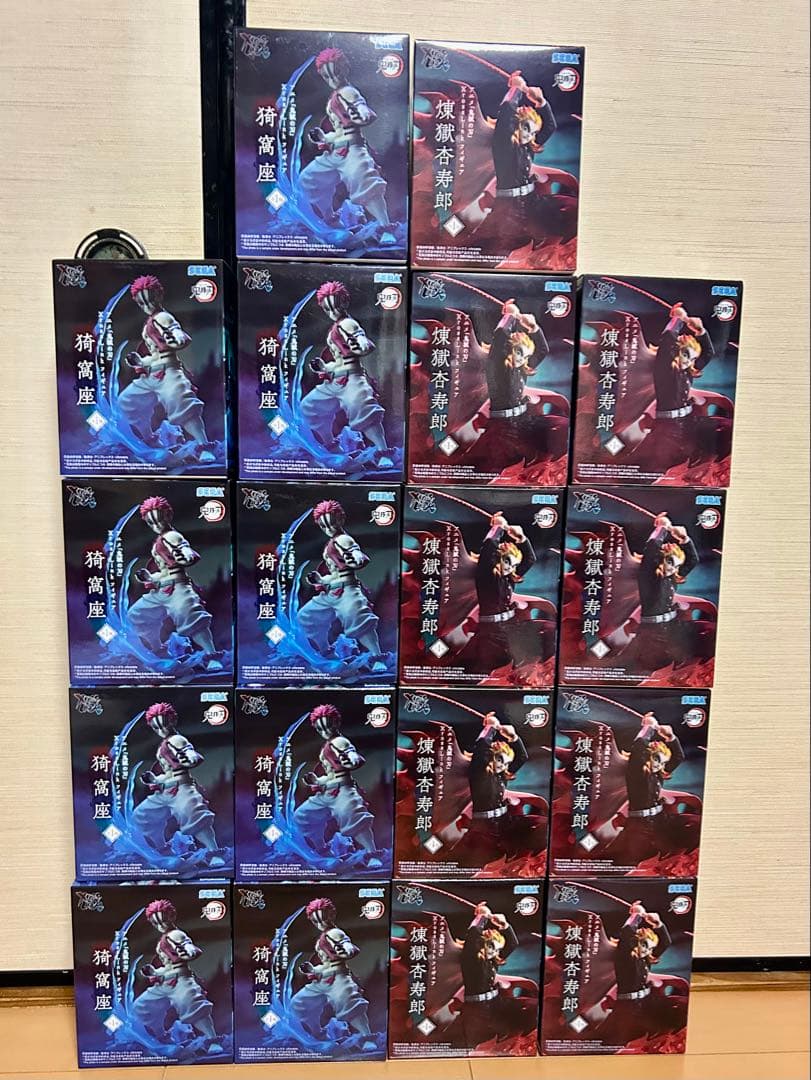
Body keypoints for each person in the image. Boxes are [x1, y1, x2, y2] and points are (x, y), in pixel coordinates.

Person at [118, 275, 215, 463]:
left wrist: (178, 338)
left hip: (169, 372)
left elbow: (177, 333)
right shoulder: (148, 324)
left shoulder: (163, 317)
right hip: (151, 375)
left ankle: (203, 446)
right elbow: (155, 354)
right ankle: (150, 439)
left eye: (150, 300)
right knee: (127, 401)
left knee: (183, 405)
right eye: (142, 303)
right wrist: (141, 361)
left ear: (158, 296)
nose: (147, 305)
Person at [298, 49, 392, 235]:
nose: (333, 79)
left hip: (353, 151)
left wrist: (362, 114)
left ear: (344, 69)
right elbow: (339, 131)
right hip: (335, 152)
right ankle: (330, 219)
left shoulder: (348, 91)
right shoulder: (334, 97)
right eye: (327, 76)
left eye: (336, 73)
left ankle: (385, 228)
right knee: (309, 179)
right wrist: (324, 138)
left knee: (366, 184)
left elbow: (361, 108)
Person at [300, 281, 393, 466]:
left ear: (344, 303)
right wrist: (324, 367)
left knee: (365, 413)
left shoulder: (348, 323)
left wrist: (361, 345)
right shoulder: (334, 329)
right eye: (328, 309)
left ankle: (383, 453)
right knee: (310, 407)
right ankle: (332, 446)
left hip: (352, 380)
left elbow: (362, 340)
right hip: (335, 381)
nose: (333, 312)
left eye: (336, 306)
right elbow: (339, 360)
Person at [128, 496, 223, 672]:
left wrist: (187, 556)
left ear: (168, 516)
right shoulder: (158, 541)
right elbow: (164, 570)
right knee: (137, 614)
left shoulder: (172, 535)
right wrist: (150, 578)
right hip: (161, 590)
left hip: (178, 588)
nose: (156, 525)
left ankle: (211, 656)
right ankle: (158, 650)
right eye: (151, 523)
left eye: (159, 520)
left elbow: (185, 550)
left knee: (192, 619)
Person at [131, 702, 223, 865]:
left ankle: (214, 853)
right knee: (142, 816)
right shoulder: (163, 745)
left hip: (182, 788)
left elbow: (189, 753)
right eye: (156, 728)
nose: (161, 730)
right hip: (165, 791)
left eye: (164, 725)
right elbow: (168, 773)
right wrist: (155, 779)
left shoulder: (177, 739)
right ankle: (164, 850)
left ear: (172, 721)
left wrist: (191, 757)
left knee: (195, 816)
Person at [298, 500, 384, 668]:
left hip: (347, 591)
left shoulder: (344, 539)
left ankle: (377, 658)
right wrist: (320, 580)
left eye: (332, 523)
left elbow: (356, 554)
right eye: (324, 526)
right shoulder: (330, 543)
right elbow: (335, 573)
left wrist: (356, 559)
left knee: (360, 621)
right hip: (331, 592)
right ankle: (326, 652)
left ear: (340, 520)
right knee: (307, 617)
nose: (328, 529)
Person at [293, 703, 380, 864]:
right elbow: (330, 775)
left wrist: (352, 760)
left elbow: (352, 755)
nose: (325, 732)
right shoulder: (326, 746)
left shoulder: (340, 741)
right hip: (327, 792)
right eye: (321, 729)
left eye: (328, 727)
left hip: (343, 791)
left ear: (336, 723)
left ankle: (372, 854)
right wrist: (316, 780)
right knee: (303, 816)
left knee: (355, 819)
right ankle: (322, 849)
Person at [132, 899, 223, 1051]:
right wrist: (154, 972)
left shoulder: (176, 934)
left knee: (194, 1007)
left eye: (163, 921)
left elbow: (188, 946)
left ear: (171, 917)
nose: (161, 926)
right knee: (142, 1006)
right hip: (164, 983)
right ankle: (162, 1037)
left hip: (181, 980)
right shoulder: (162, 940)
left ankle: (212, 1041)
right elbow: (168, 966)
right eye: (156, 923)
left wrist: (189, 951)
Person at [290, 898, 374, 1043]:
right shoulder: (321, 939)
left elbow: (347, 945)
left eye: (323, 919)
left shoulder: (335, 933)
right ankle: (317, 1034)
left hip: (338, 978)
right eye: (316, 921)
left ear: (330, 916)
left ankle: (367, 1038)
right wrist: (312, 969)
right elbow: (325, 964)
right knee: (299, 1003)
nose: (320, 924)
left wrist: (347, 950)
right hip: (322, 979)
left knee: (350, 1005)